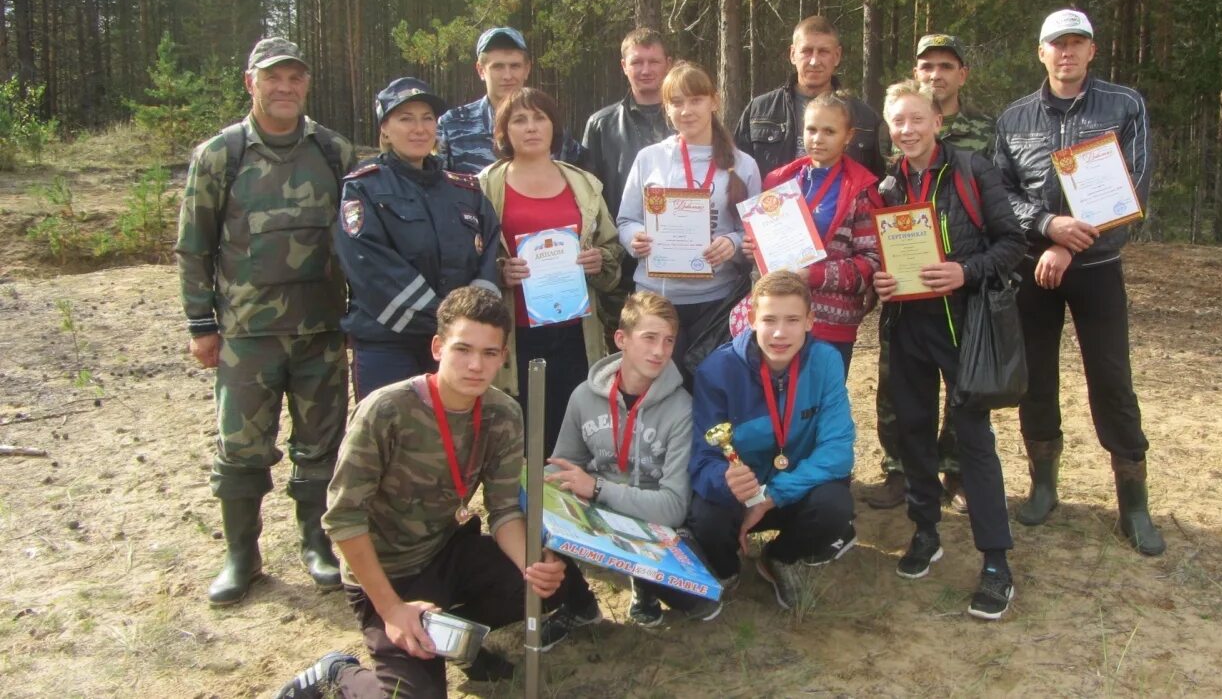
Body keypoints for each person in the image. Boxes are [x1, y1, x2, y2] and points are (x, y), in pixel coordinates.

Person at [273, 287, 568, 699]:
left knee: (548, 585)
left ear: (503, 357)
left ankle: (452, 641)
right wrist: (392, 609)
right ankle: (338, 673)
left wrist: (529, 565)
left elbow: (502, 511)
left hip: (445, 552)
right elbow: (343, 519)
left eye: (489, 353)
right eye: (463, 349)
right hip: (385, 573)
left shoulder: (503, 413)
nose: (475, 365)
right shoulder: (385, 411)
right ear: (437, 347)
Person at [175, 36, 355, 606]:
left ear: (306, 85)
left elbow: (359, 237)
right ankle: (241, 555)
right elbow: (193, 245)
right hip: (246, 337)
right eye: (273, 78)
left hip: (322, 331)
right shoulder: (220, 156)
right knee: (241, 448)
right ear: (251, 82)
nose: (285, 88)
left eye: (295, 78)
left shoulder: (333, 152)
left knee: (320, 445)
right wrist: (200, 325)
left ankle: (316, 543)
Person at [994, 9, 1164, 556]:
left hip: (1096, 270)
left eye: (1077, 43)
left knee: (1112, 380)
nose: (1066, 53)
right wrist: (1046, 229)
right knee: (1035, 378)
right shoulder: (1014, 119)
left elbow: (1129, 191)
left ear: (1093, 51)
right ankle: (1044, 485)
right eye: (1056, 44)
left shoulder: (1124, 106)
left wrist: (1067, 246)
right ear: (1040, 53)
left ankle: (1133, 503)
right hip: (1032, 268)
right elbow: (1003, 197)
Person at [872, 80, 1025, 619]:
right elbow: (880, 255)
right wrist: (879, 281)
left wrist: (964, 270)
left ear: (937, 121)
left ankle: (996, 562)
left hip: (964, 325)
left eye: (917, 119)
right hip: (907, 325)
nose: (907, 130)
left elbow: (1012, 244)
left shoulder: (972, 170)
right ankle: (926, 532)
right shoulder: (888, 184)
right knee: (912, 430)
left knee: (972, 436)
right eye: (898, 122)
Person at [541, 292, 720, 647]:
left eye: (668, 340)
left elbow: (673, 506)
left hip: (653, 525)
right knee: (531, 520)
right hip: (599, 516)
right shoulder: (583, 397)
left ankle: (645, 581)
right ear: (621, 339)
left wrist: (596, 489)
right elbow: (560, 469)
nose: (660, 351)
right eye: (649, 338)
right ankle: (578, 604)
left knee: (702, 606)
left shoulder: (682, 409)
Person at [868, 33, 998, 512]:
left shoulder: (985, 137)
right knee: (897, 387)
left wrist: (967, 269)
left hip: (962, 291)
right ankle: (901, 469)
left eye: (947, 65)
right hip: (906, 300)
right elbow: (875, 220)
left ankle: (958, 470)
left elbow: (1000, 217)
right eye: (927, 66)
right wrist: (881, 271)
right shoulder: (892, 159)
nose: (936, 74)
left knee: (963, 390)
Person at [686, 271, 856, 611]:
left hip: (788, 492)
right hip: (742, 495)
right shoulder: (716, 370)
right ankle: (726, 569)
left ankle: (780, 557)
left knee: (836, 508)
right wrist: (724, 480)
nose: (780, 333)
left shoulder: (825, 361)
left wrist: (773, 496)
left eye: (792, 319)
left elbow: (838, 452)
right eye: (769, 320)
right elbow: (702, 460)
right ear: (751, 319)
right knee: (706, 518)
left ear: (809, 320)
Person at [335, 77, 501, 401]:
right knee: (391, 440)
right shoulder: (363, 188)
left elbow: (488, 252)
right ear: (385, 128)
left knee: (454, 439)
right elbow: (369, 267)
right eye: (405, 118)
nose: (419, 128)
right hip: (390, 343)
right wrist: (446, 318)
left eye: (427, 118)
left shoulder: (464, 189)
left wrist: (466, 322)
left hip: (457, 345)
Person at [478, 88, 622, 459]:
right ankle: (523, 513)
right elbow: (469, 257)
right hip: (516, 334)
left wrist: (598, 260)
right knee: (520, 440)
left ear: (554, 126)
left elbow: (612, 248)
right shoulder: (484, 187)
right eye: (519, 120)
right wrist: (499, 272)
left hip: (576, 333)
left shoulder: (583, 184)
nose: (531, 128)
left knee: (571, 437)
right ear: (503, 130)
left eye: (540, 118)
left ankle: (568, 514)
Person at [617, 62, 762, 385]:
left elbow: (754, 233)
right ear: (666, 108)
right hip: (656, 299)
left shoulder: (744, 165)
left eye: (695, 100)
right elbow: (626, 220)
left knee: (709, 392)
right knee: (654, 391)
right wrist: (634, 238)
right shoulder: (649, 158)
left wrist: (734, 243)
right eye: (676, 102)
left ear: (714, 101)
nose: (686, 110)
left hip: (716, 302)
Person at [748, 92, 882, 374]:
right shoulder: (779, 181)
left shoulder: (860, 189)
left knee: (821, 407)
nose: (818, 138)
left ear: (848, 136)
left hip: (831, 325)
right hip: (780, 321)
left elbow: (870, 262)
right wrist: (754, 247)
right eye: (811, 129)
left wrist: (815, 275)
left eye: (829, 131)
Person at [581, 28, 675, 341]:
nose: (645, 70)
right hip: (620, 263)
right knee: (625, 346)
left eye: (654, 61)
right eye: (637, 62)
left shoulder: (687, 118)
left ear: (668, 64)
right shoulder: (601, 124)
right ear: (623, 66)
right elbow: (587, 196)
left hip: (678, 257)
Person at [734, 15, 887, 178]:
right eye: (807, 51)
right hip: (773, 202)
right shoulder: (759, 112)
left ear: (837, 56)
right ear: (793, 54)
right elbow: (736, 173)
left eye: (823, 52)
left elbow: (879, 183)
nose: (814, 61)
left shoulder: (864, 118)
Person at [437, 26, 582, 174]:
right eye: (498, 67)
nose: (507, 76)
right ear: (481, 70)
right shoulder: (453, 125)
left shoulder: (547, 127)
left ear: (526, 69)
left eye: (515, 66)